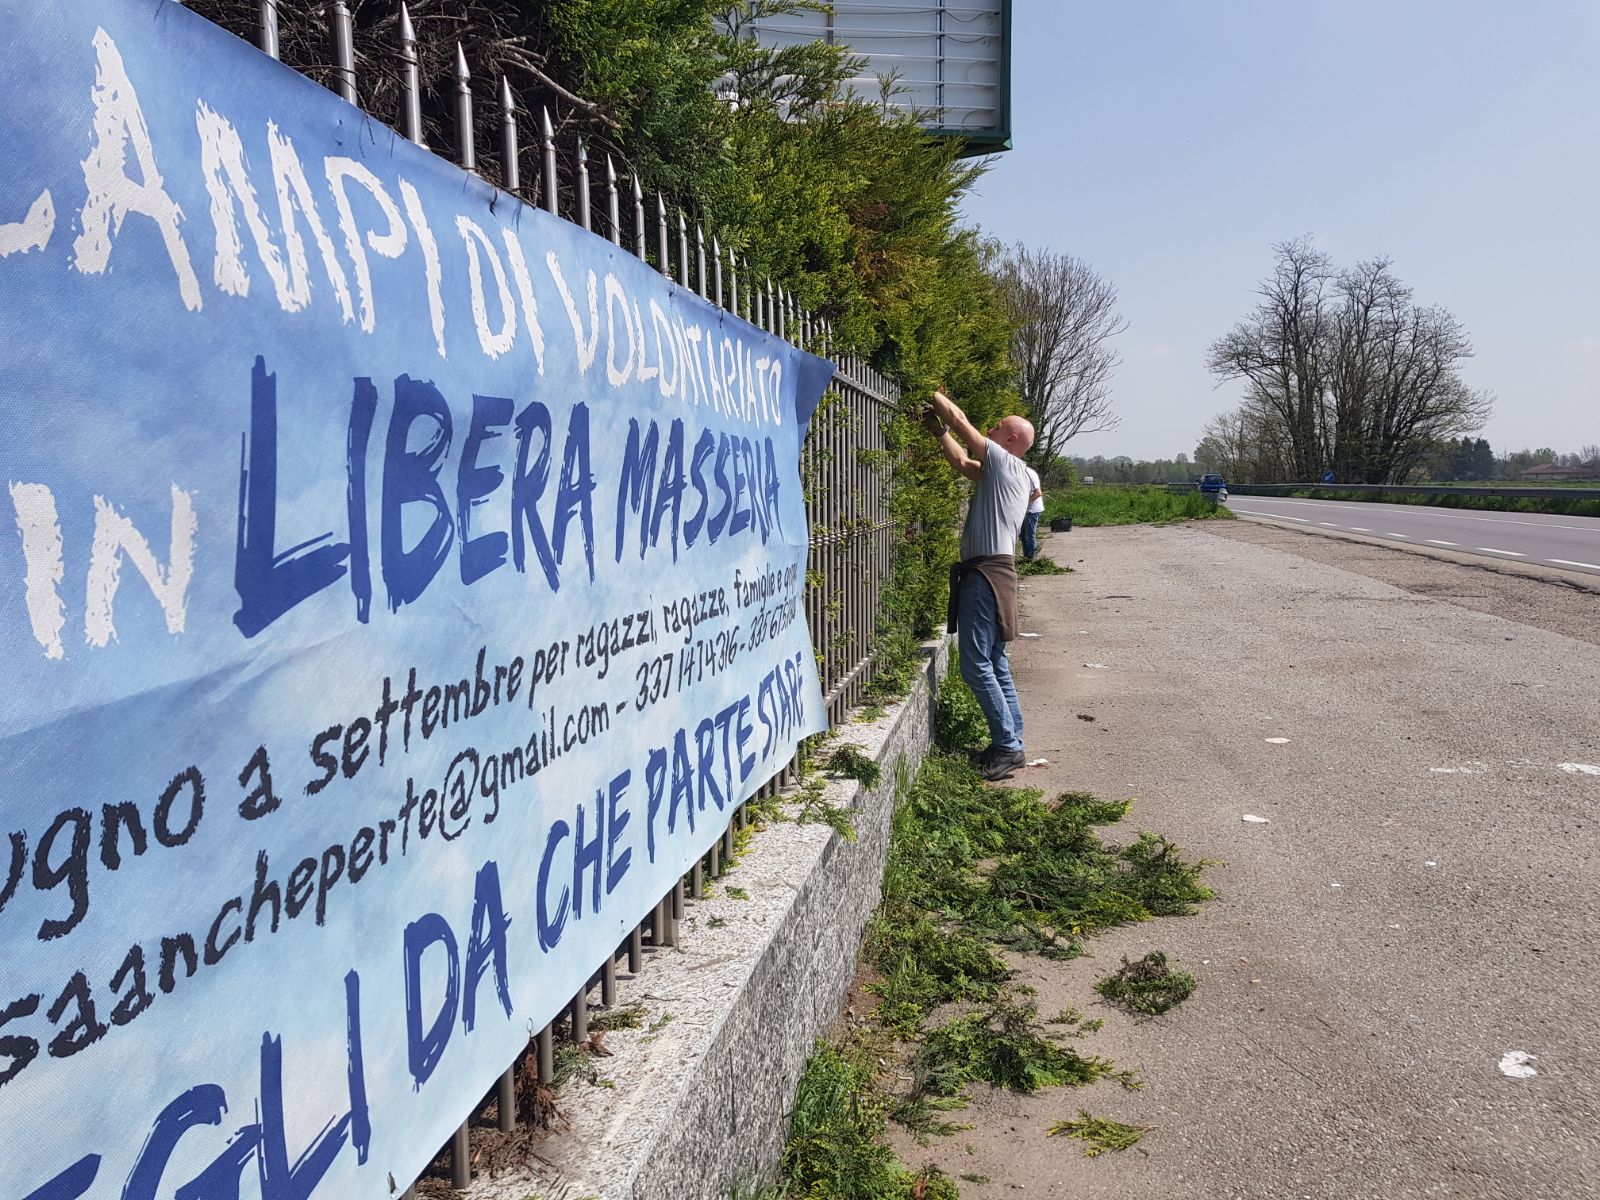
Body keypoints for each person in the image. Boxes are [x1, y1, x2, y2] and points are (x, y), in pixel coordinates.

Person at [923, 389, 1034, 780]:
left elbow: (961, 421)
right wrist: (937, 433)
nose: (989, 429)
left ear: (1010, 441)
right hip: (995, 574)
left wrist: (933, 392)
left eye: (997, 428)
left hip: (986, 575)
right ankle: (1012, 741)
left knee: (974, 666)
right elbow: (959, 459)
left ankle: (1006, 746)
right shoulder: (1003, 475)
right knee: (996, 662)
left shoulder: (1005, 463)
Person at [1021, 465, 1044, 559]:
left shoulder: (1029, 473)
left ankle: (1032, 558)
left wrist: (1023, 502)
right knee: (1022, 535)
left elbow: (1038, 493)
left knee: (1029, 536)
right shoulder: (1016, 473)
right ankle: (1027, 557)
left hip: (1032, 510)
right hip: (1022, 510)